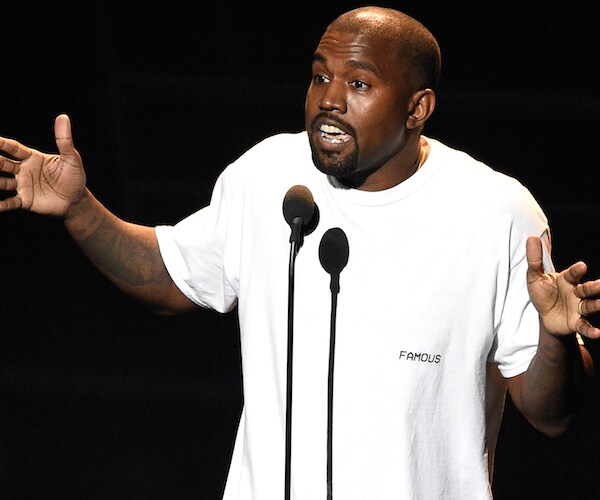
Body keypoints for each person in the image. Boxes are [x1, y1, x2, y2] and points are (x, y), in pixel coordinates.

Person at [0, 6, 598, 499]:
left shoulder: (495, 213)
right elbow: (169, 275)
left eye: (358, 84)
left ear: (417, 109)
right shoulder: (268, 174)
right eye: (319, 77)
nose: (328, 100)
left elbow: (551, 414)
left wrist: (554, 338)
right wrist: (79, 210)